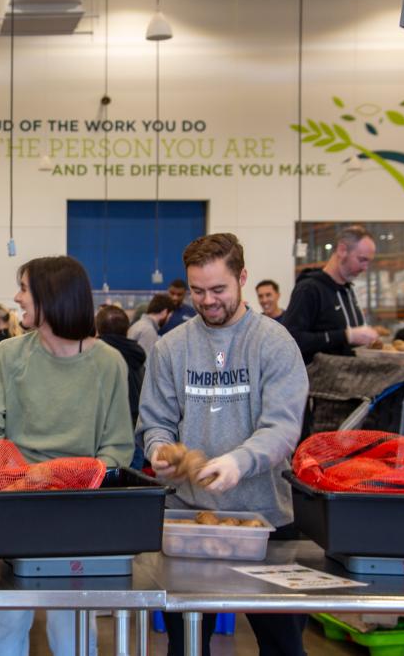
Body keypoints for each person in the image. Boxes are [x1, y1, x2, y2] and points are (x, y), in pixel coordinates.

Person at [137, 233, 309, 656]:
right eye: (198, 291)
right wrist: (159, 450)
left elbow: (284, 427)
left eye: (218, 290)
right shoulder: (171, 347)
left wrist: (238, 462)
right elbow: (154, 421)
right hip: (190, 524)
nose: (208, 300)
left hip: (267, 523)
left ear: (242, 278)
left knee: (283, 646)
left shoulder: (274, 343)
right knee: (187, 647)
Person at [0, 256, 134, 656]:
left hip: (79, 510)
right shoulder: (10, 355)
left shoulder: (109, 363)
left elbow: (117, 448)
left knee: (74, 624)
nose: (16, 297)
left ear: (51, 297)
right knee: (6, 619)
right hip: (13, 502)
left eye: (23, 289)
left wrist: (70, 481)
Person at [283, 225, 378, 364]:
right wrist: (346, 336)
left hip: (350, 378)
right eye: (362, 259)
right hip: (320, 381)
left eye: (368, 262)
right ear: (342, 250)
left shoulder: (347, 290)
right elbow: (292, 340)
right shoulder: (309, 289)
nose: (365, 268)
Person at [96, 304, 146, 462]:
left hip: (108, 437)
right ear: (127, 329)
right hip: (135, 426)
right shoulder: (136, 353)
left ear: (98, 329)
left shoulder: (98, 356)